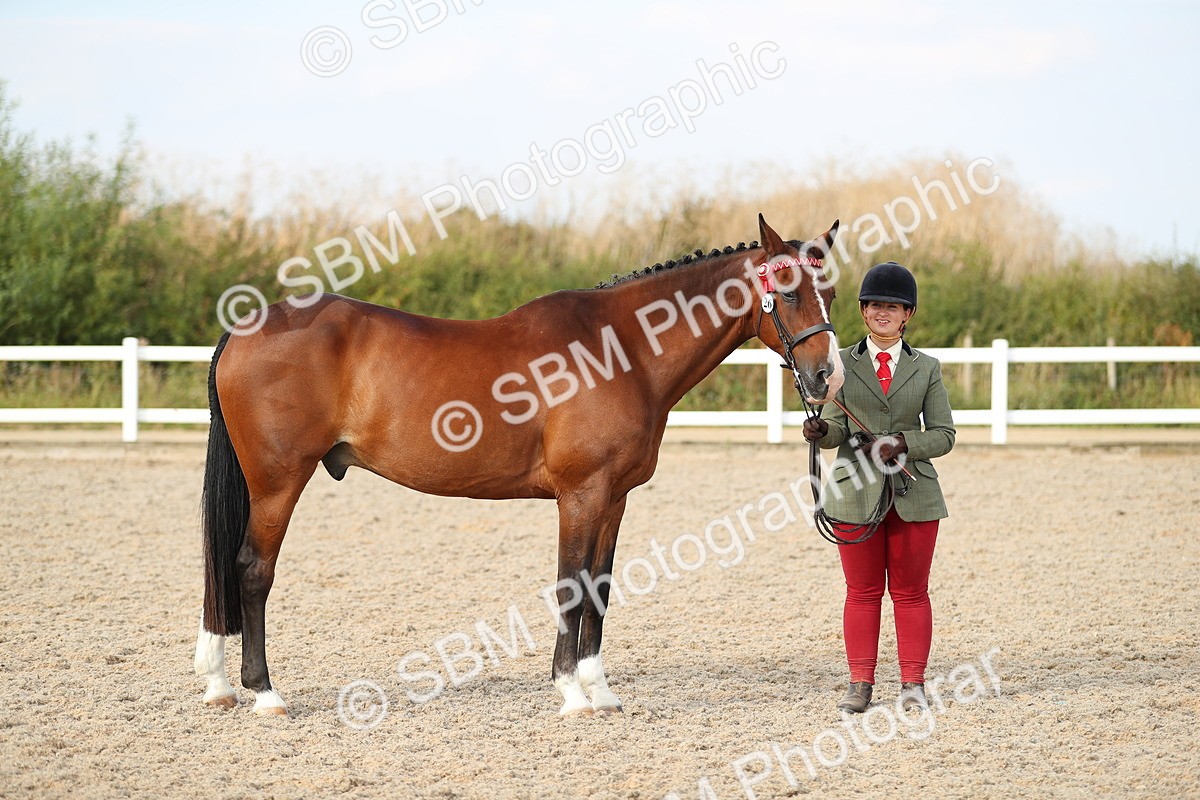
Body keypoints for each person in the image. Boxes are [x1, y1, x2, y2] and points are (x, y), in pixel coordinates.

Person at [802, 261, 955, 714]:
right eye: (874, 305)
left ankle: (913, 683)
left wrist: (905, 442)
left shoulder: (927, 368)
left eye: (893, 306)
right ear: (863, 312)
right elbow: (834, 430)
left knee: (911, 592)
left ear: (907, 313)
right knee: (862, 592)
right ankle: (860, 683)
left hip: (915, 494)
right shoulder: (839, 364)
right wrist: (819, 432)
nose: (883, 312)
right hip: (854, 493)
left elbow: (945, 434)